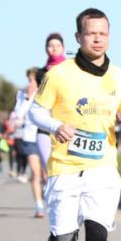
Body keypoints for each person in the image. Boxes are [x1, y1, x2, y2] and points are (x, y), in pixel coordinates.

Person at [28, 8, 121, 241]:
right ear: (78, 37)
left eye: (103, 33)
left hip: (102, 169)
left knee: (98, 235)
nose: (98, 39)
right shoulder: (59, 74)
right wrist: (53, 125)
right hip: (65, 169)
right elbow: (34, 113)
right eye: (91, 33)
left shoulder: (119, 77)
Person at [13, 67, 47, 215]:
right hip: (29, 137)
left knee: (47, 174)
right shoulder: (22, 95)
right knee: (35, 172)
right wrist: (27, 97)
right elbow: (18, 114)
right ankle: (39, 205)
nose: (31, 83)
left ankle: (49, 197)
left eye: (33, 79)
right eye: (29, 80)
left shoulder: (45, 93)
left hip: (45, 137)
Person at [36, 33, 68, 172]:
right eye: (50, 46)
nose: (54, 49)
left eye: (57, 46)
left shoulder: (71, 69)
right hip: (46, 128)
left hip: (67, 126)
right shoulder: (41, 73)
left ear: (63, 48)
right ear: (45, 49)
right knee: (50, 171)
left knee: (66, 170)